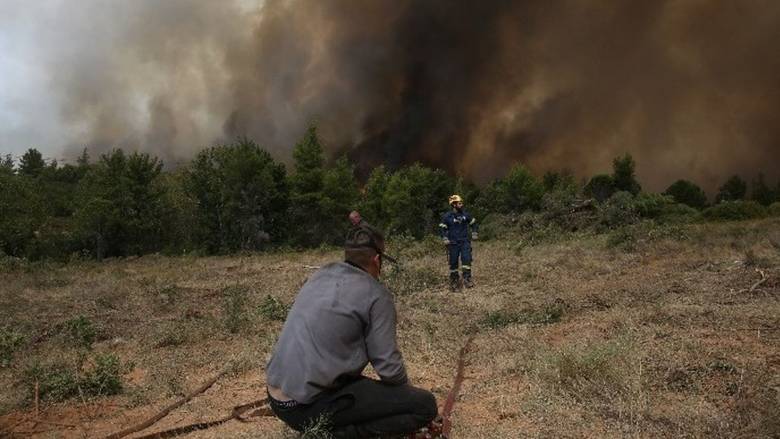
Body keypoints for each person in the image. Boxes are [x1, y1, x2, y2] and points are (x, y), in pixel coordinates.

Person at [265, 222, 440, 438]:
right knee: (424, 405)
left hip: (276, 398)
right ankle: (341, 434)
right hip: (305, 408)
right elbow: (388, 366)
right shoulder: (376, 295)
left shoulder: (321, 274)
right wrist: (405, 396)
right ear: (377, 260)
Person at [439, 194, 478, 291]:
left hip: (464, 242)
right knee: (453, 262)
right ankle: (454, 280)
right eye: (459, 203)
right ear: (454, 205)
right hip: (453, 243)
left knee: (466, 259)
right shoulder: (447, 216)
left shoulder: (466, 215)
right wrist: (444, 238)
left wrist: (474, 232)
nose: (462, 205)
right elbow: (442, 228)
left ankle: (467, 278)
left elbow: (473, 223)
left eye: (461, 203)